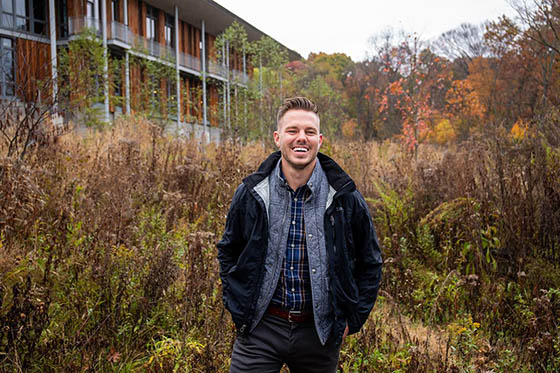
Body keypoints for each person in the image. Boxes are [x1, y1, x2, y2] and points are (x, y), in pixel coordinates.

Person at [217, 96, 382, 372]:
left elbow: (370, 261)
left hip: (319, 333)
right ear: (277, 137)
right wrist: (238, 306)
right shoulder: (252, 193)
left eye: (309, 132)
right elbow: (228, 250)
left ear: (320, 139)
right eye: (292, 131)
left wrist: (352, 319)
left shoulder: (344, 197)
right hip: (260, 328)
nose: (300, 138)